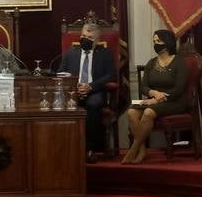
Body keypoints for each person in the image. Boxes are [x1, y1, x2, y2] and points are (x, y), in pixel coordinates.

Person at [123, 30, 189, 164]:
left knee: (148, 112)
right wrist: (153, 93)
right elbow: (143, 87)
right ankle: (141, 150)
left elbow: (179, 88)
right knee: (131, 112)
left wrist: (158, 99)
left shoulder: (179, 62)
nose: (155, 44)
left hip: (174, 101)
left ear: (168, 42)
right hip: (153, 99)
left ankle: (133, 149)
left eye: (158, 41)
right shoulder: (151, 63)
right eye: (154, 41)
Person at [61, 22, 117, 162]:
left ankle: (89, 149)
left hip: (94, 91)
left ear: (97, 40)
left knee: (94, 104)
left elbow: (111, 75)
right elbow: (60, 73)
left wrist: (90, 86)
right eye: (83, 36)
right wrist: (74, 86)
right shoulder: (70, 54)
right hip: (73, 92)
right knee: (64, 106)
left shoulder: (105, 54)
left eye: (90, 37)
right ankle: (68, 149)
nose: (85, 39)